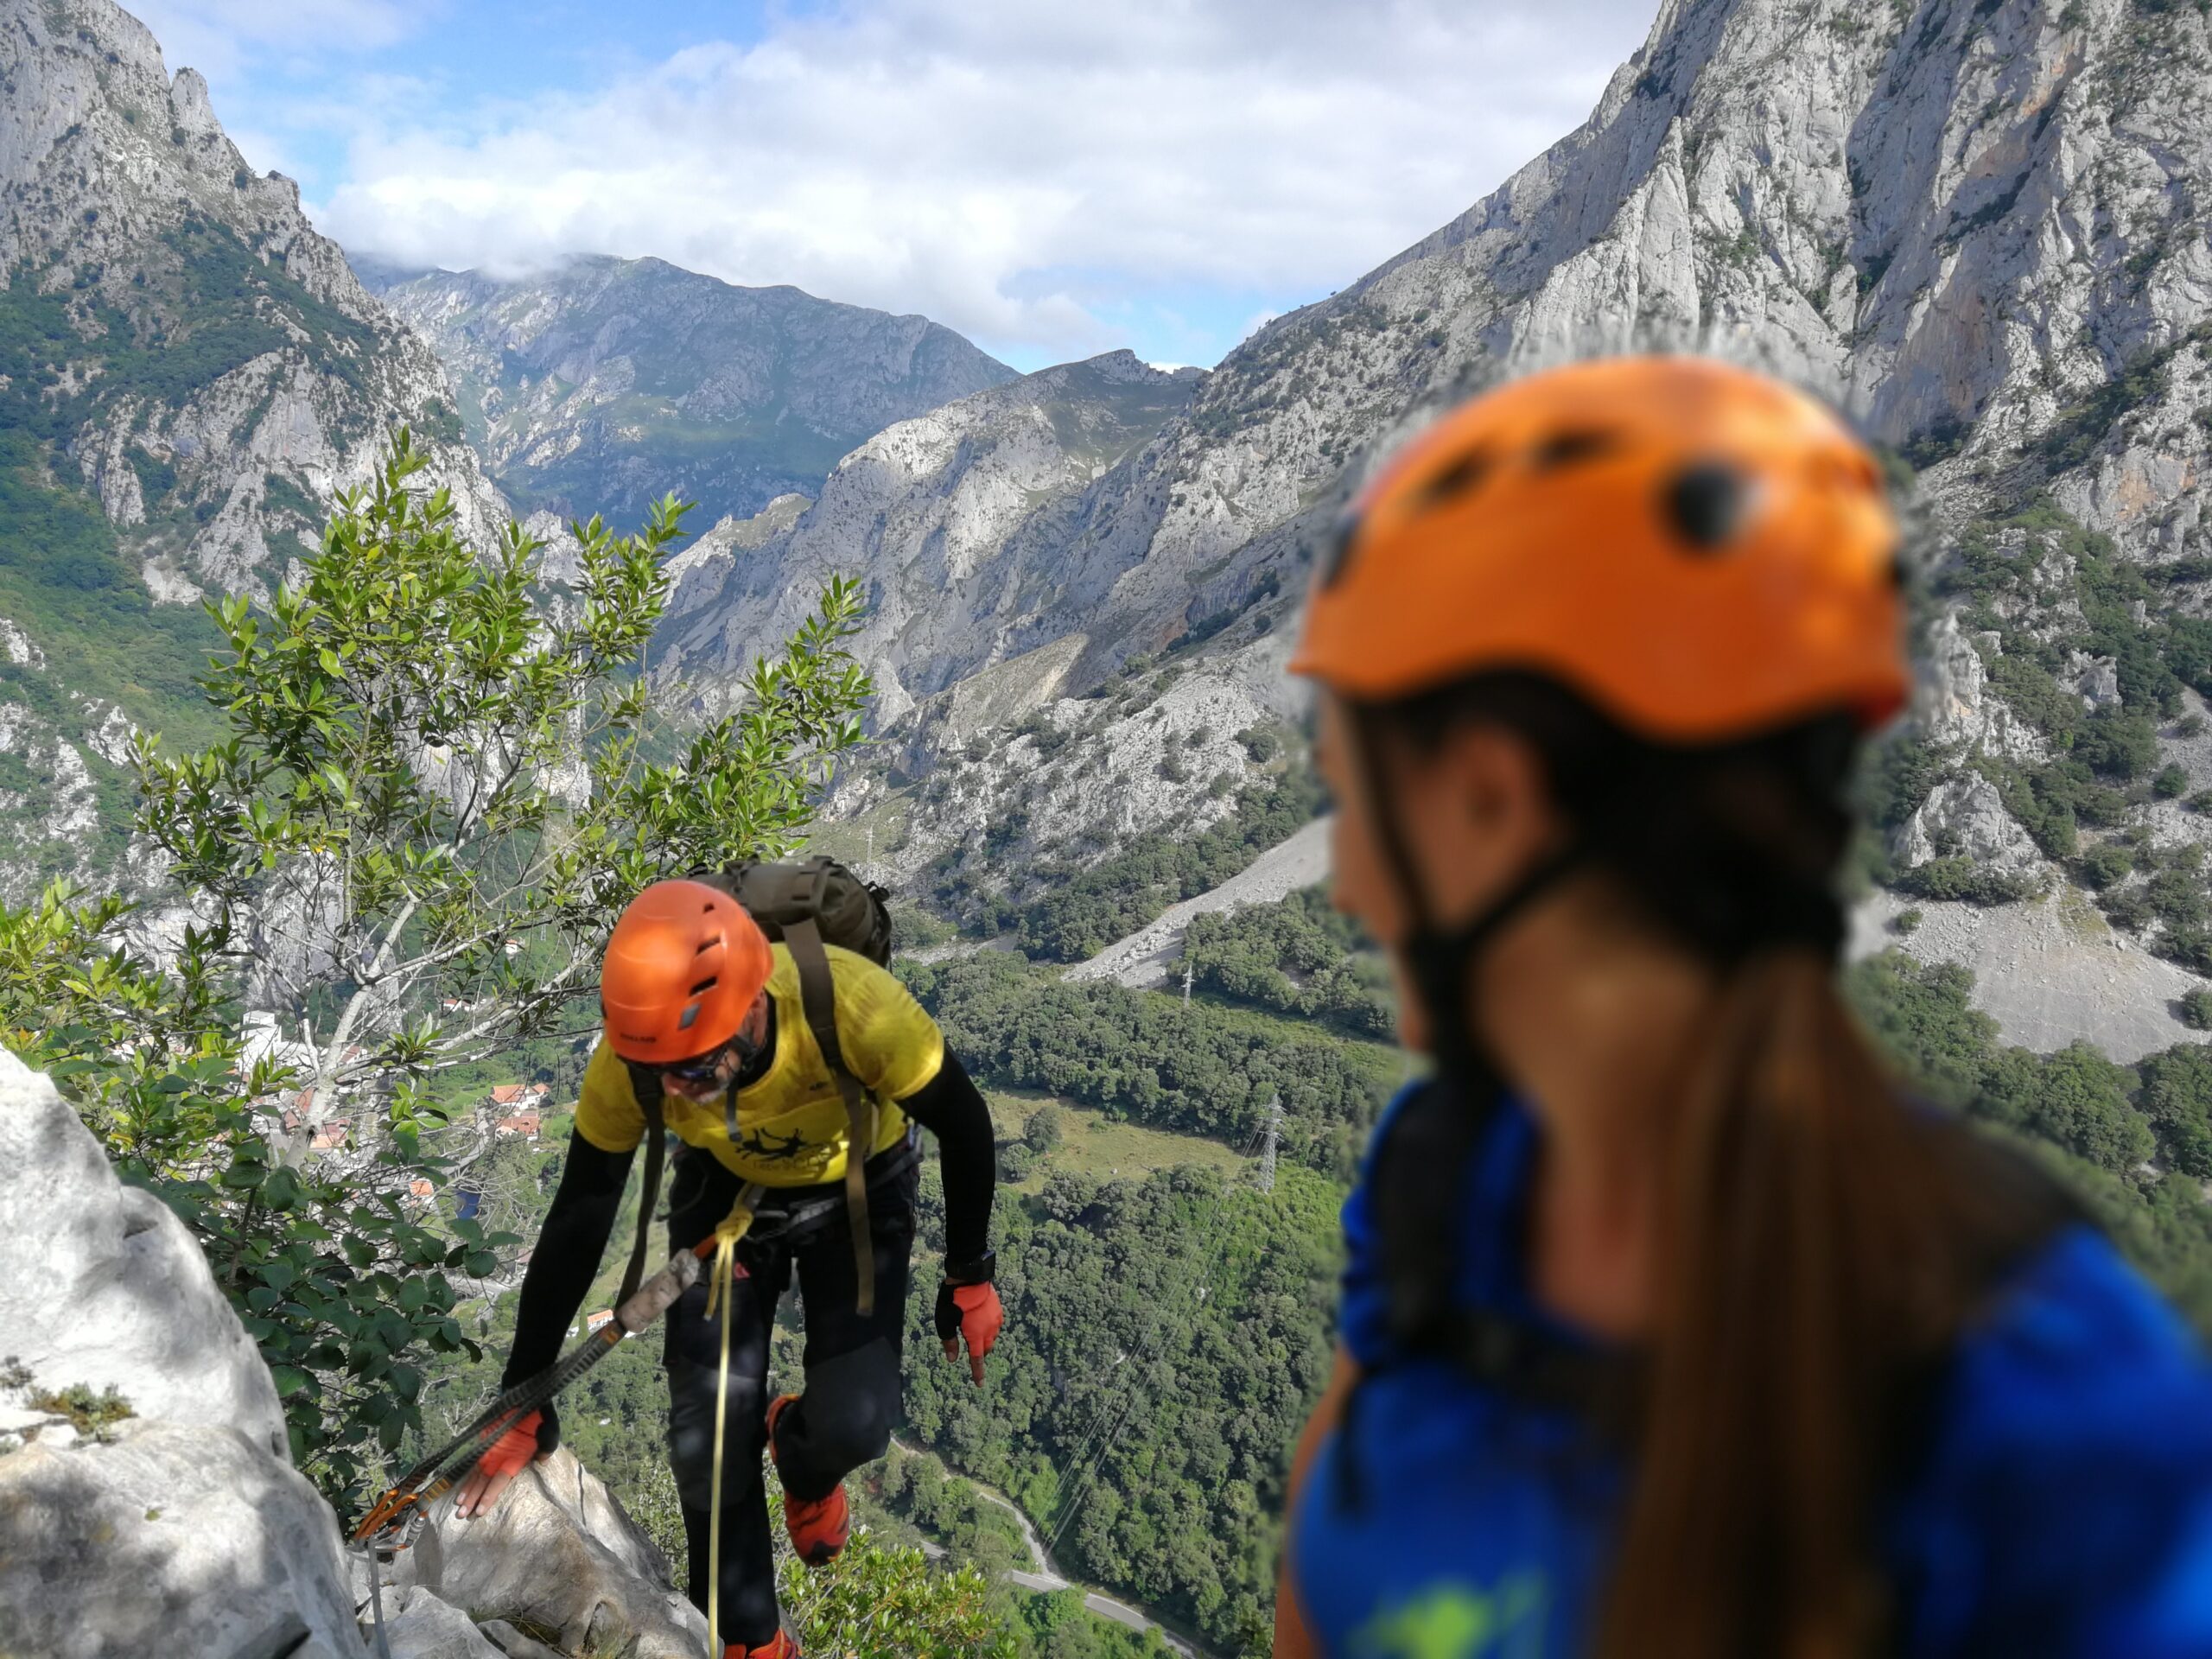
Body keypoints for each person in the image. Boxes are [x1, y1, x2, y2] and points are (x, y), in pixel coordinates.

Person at [1274, 356, 2212, 1658]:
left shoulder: (2052, 1395)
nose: (1342, 889)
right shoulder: (1444, 1183)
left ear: (1492, 797)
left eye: (1346, 800)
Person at [453, 879, 1004, 1659]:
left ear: (752, 1004)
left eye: (697, 1065)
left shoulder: (853, 1007)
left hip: (859, 1187)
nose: (678, 1087)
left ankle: (802, 1458)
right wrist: (526, 1395)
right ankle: (752, 1642)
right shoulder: (636, 1063)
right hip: (727, 1199)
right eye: (663, 1071)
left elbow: (963, 1119)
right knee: (707, 1435)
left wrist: (969, 1273)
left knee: (857, 1422)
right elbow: (581, 1213)